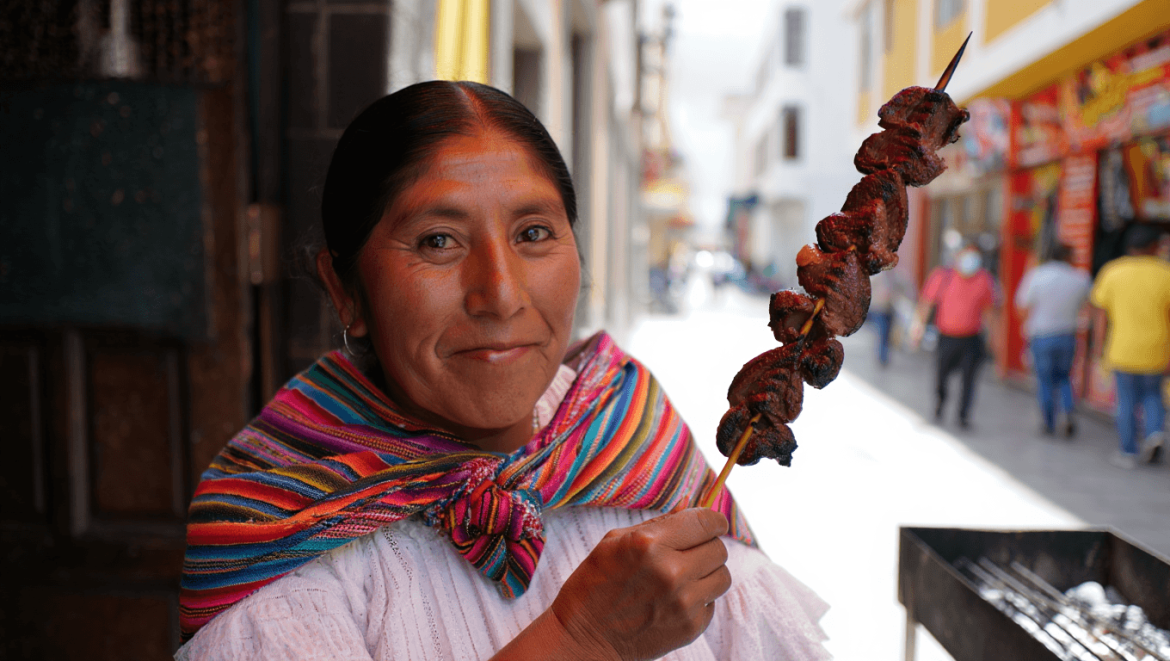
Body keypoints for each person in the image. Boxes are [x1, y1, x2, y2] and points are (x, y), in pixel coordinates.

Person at [174, 81, 829, 661]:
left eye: (533, 234)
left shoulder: (635, 446)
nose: (502, 293)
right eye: (438, 240)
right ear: (346, 291)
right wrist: (581, 640)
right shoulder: (279, 524)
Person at [1089, 224, 1170, 469]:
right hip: (1157, 349)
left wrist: (1098, 348)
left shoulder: (1113, 271)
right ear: (1154, 247)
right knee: (1154, 396)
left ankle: (1128, 451)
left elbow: (1100, 316)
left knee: (1125, 401)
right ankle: (1154, 433)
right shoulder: (1165, 273)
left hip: (1122, 348)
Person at [911, 244, 998, 429]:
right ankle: (940, 403)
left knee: (969, 379)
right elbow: (926, 303)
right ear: (957, 257)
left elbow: (989, 311)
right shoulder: (943, 276)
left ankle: (964, 415)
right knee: (941, 376)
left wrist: (994, 339)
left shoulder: (984, 279)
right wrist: (917, 327)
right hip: (947, 337)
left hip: (971, 338)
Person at [1014, 243, 1091, 437]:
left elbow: (1021, 307)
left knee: (1045, 380)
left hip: (1041, 335)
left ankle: (1048, 422)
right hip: (1067, 335)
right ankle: (1066, 412)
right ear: (1069, 256)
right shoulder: (1080, 278)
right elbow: (1089, 309)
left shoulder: (1037, 275)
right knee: (1064, 377)